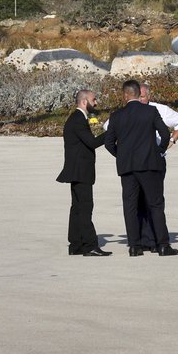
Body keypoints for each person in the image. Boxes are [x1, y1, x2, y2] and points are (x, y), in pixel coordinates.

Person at [104, 80, 178, 257]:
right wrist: (159, 150)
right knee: (156, 204)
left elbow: (108, 143)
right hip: (149, 164)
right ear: (138, 94)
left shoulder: (116, 116)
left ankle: (134, 246)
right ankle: (162, 245)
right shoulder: (150, 111)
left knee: (130, 207)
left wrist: (121, 156)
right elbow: (165, 133)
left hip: (127, 168)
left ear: (125, 95)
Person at [56, 89, 111, 256]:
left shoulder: (78, 118)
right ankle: (89, 246)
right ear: (84, 101)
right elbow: (92, 143)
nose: (96, 103)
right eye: (94, 99)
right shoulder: (78, 119)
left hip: (77, 171)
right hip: (80, 171)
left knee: (77, 208)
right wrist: (112, 133)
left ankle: (76, 244)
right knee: (85, 207)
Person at [135, 83, 178, 252]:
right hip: (136, 161)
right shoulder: (130, 110)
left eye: (143, 96)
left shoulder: (160, 110)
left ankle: (156, 239)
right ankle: (144, 239)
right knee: (139, 201)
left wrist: (171, 142)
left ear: (148, 96)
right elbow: (109, 127)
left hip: (155, 160)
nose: (140, 100)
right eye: (138, 96)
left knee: (155, 202)